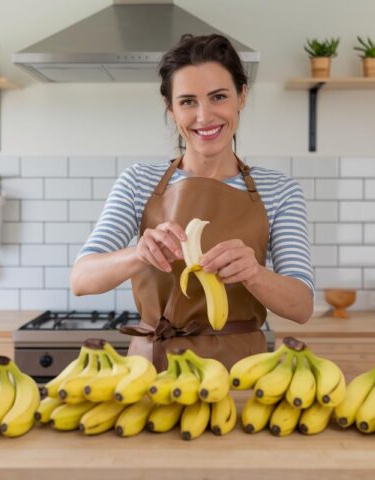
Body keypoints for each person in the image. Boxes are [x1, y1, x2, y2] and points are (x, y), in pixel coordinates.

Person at [71, 34, 314, 370]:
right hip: (151, 369)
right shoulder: (137, 182)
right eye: (187, 101)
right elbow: (81, 279)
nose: (204, 116)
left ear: (242, 96)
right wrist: (138, 253)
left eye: (218, 97)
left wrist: (255, 274)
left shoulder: (280, 190)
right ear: (170, 109)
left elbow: (301, 306)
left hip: (239, 374)